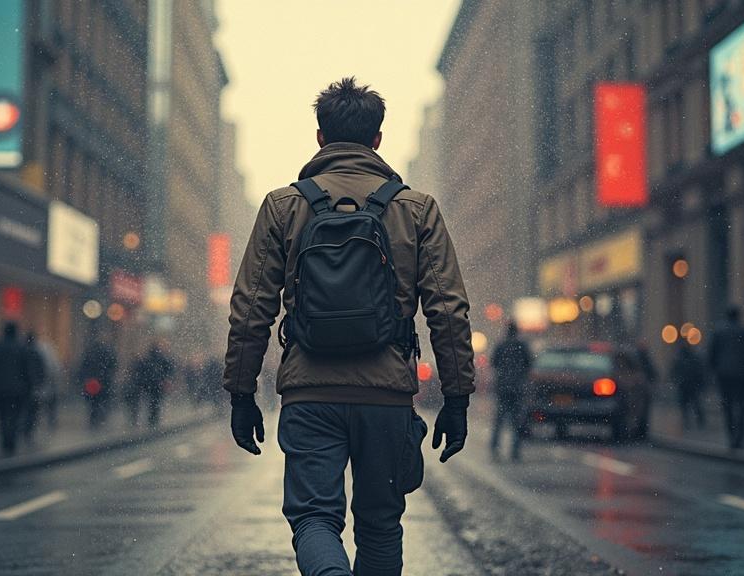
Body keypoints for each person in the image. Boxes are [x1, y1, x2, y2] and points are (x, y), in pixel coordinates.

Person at [223, 77, 475, 576]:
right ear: (377, 139)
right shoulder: (415, 208)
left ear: (320, 137)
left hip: (309, 392)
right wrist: (457, 397)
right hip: (386, 395)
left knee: (314, 519)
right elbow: (447, 310)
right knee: (381, 523)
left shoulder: (283, 206)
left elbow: (251, 308)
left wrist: (240, 392)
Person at [708, 306, 744, 449]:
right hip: (741, 373)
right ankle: (740, 436)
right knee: (742, 404)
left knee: (727, 405)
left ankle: (731, 435)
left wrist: (712, 370)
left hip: (724, 374)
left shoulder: (718, 332)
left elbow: (712, 353)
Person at [0, 323, 32, 456]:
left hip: (0, 387)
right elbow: (27, 370)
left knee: (3, 414)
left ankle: (5, 439)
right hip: (18, 389)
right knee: (15, 415)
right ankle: (11, 440)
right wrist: (28, 385)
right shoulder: (22, 348)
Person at [489, 321, 532, 461]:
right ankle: (515, 451)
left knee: (499, 420)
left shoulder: (501, 346)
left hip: (503, 387)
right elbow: (529, 364)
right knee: (516, 421)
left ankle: (495, 449)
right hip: (517, 388)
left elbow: (493, 363)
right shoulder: (522, 346)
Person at [130, 341, 176, 428]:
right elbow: (168, 368)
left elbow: (141, 370)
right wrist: (164, 378)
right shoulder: (161, 358)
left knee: (149, 402)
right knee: (155, 402)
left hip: (149, 384)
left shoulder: (147, 358)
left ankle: (150, 419)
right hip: (157, 383)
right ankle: (153, 419)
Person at [78, 333, 118, 428]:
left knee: (93, 402)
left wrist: (83, 378)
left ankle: (93, 418)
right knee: (101, 400)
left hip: (92, 382)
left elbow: (83, 367)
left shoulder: (90, 352)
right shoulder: (108, 352)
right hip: (103, 382)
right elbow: (113, 366)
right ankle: (100, 418)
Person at [669, 339, 706, 431]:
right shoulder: (685, 357)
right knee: (688, 404)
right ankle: (691, 420)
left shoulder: (685, 357)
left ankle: (698, 420)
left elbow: (699, 371)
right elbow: (674, 371)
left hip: (689, 384)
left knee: (693, 404)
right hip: (686, 384)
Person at [22, 332, 47, 442]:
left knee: (22, 409)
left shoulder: (22, 352)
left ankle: (22, 429)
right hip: (33, 387)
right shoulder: (37, 353)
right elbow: (42, 370)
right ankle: (28, 429)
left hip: (23, 387)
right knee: (32, 409)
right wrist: (40, 383)